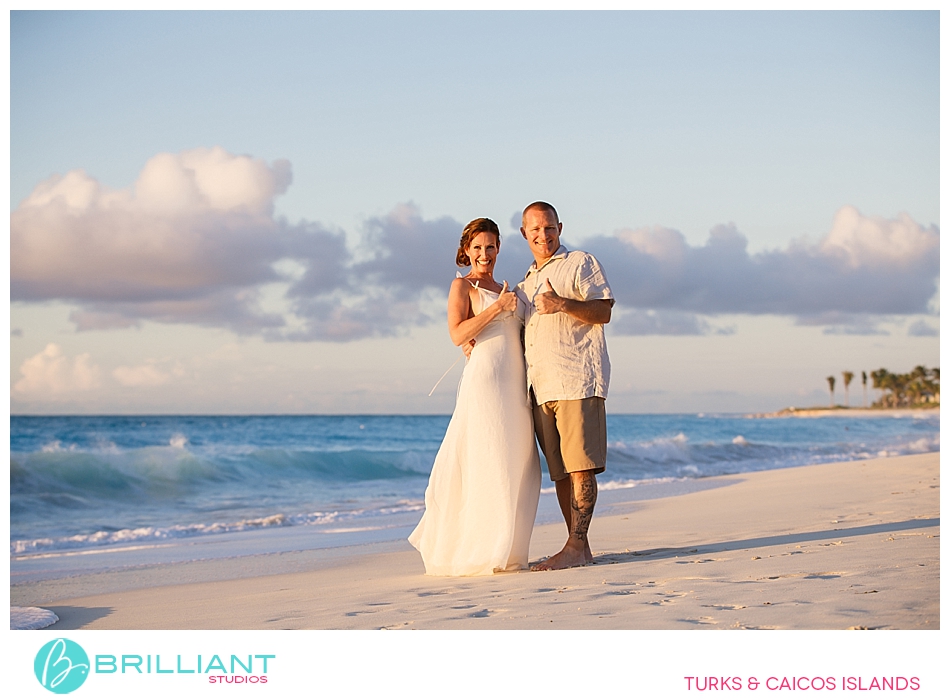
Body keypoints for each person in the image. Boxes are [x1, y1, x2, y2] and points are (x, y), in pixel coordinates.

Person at [408, 217, 541, 576]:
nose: (485, 254)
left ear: (499, 248)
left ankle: (510, 550)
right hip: (484, 383)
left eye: (491, 247)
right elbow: (456, 334)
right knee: (488, 459)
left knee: (517, 462)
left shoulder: (509, 288)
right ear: (467, 250)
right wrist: (497, 308)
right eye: (478, 248)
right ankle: (483, 552)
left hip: (515, 386)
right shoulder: (462, 286)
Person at [517, 201, 614, 571]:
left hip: (576, 379)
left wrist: (561, 303)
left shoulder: (581, 263)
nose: (543, 235)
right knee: (560, 472)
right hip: (540, 389)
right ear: (524, 234)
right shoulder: (525, 282)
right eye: (535, 230)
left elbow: (603, 311)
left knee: (580, 468)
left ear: (560, 227)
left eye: (549, 227)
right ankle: (580, 549)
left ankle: (574, 548)